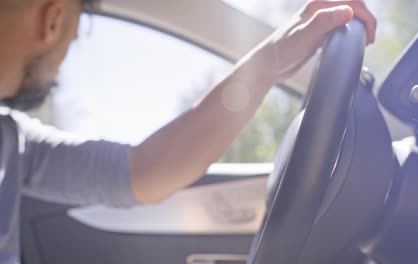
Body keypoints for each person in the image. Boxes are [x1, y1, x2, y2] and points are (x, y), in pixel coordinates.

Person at [0, 0, 376, 262]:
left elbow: (146, 172)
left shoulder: (13, 140)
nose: (75, 41)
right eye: (79, 22)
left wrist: (269, 63)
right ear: (53, 19)